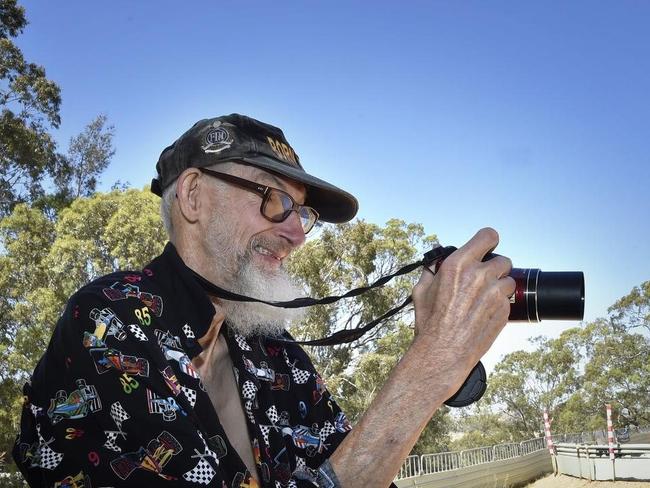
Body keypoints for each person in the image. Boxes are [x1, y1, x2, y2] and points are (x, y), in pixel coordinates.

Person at [13, 114, 515, 487]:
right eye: (274, 199)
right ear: (193, 196)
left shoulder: (276, 354)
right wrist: (429, 367)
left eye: (302, 213)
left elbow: (358, 464)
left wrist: (444, 351)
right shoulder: (108, 319)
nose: (297, 232)